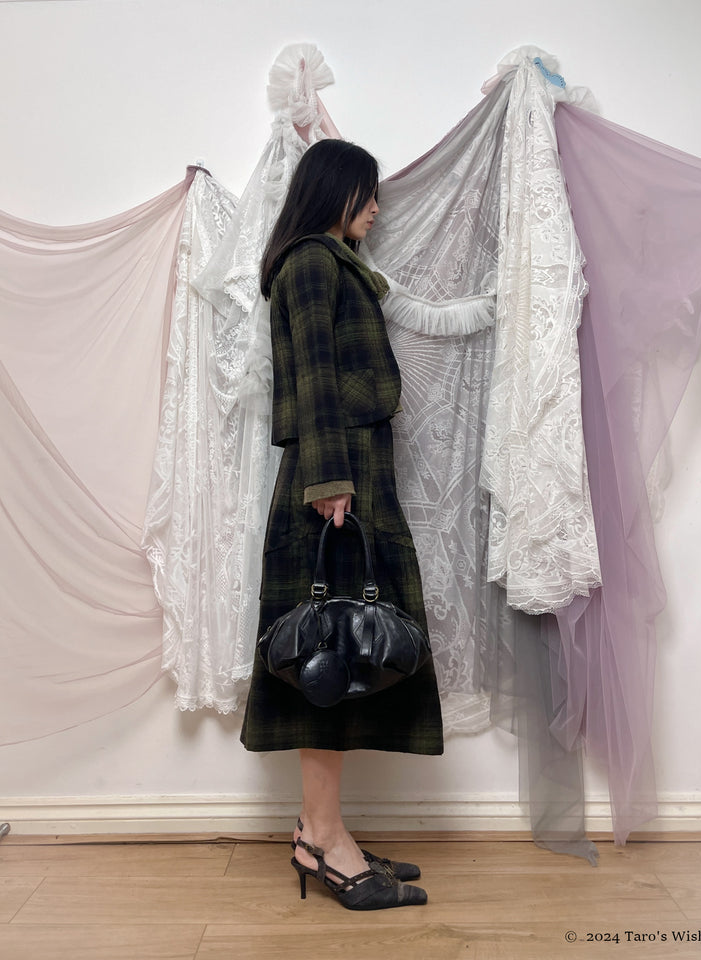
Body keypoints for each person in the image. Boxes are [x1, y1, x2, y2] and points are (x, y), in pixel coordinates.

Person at [240, 139, 443, 910]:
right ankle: (325, 840)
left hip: (353, 475)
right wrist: (330, 480)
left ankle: (318, 829)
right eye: (367, 193)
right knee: (328, 656)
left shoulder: (331, 262)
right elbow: (316, 375)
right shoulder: (312, 262)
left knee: (348, 654)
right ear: (335, 192)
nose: (377, 208)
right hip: (335, 481)